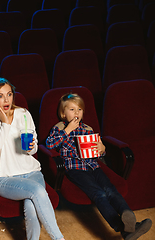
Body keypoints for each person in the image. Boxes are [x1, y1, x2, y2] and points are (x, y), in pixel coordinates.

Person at [46, 93, 152, 240]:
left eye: (79, 110)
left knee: (111, 190)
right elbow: (50, 144)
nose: (76, 113)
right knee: (99, 194)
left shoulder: (88, 129)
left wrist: (101, 149)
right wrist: (67, 130)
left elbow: (96, 153)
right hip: (75, 169)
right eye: (72, 110)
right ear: (63, 113)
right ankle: (122, 227)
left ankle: (128, 218)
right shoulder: (59, 128)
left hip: (93, 166)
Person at [0, 78, 65, 240]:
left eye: (9, 94)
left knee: (31, 205)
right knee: (38, 191)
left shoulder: (23, 113)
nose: (6, 99)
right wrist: (5, 124)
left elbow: (34, 149)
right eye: (1, 96)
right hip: (4, 178)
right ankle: (59, 238)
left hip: (32, 172)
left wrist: (31, 147)